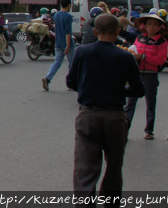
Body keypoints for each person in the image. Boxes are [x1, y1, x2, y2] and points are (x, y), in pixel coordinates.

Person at [66, 13, 144, 202]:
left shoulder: (83, 52)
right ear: (118, 31)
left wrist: (90, 87)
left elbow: (71, 81)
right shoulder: (126, 56)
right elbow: (138, 90)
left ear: (94, 31)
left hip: (88, 115)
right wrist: (118, 89)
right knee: (114, 168)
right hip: (115, 117)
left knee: (85, 170)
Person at [123, 13, 168, 140]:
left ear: (160, 27)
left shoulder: (161, 42)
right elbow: (134, 51)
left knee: (150, 103)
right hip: (136, 74)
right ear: (145, 25)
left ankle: (149, 130)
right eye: (149, 24)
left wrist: (143, 57)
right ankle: (125, 129)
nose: (152, 27)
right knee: (130, 103)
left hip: (151, 75)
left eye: (155, 24)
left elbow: (160, 60)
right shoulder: (139, 38)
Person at [42, 0, 74, 91]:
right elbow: (68, 32)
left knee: (57, 62)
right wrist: (68, 45)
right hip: (67, 43)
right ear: (69, 5)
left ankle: (48, 78)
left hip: (58, 42)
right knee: (72, 63)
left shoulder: (56, 15)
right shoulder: (68, 16)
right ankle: (71, 83)